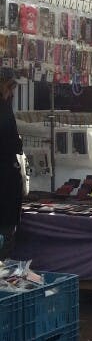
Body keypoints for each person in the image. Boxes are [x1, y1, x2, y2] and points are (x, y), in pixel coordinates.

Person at [0, 69, 23, 258]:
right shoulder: (4, 110)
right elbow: (12, 141)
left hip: (7, 173)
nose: (13, 95)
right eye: (10, 89)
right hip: (6, 178)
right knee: (6, 235)